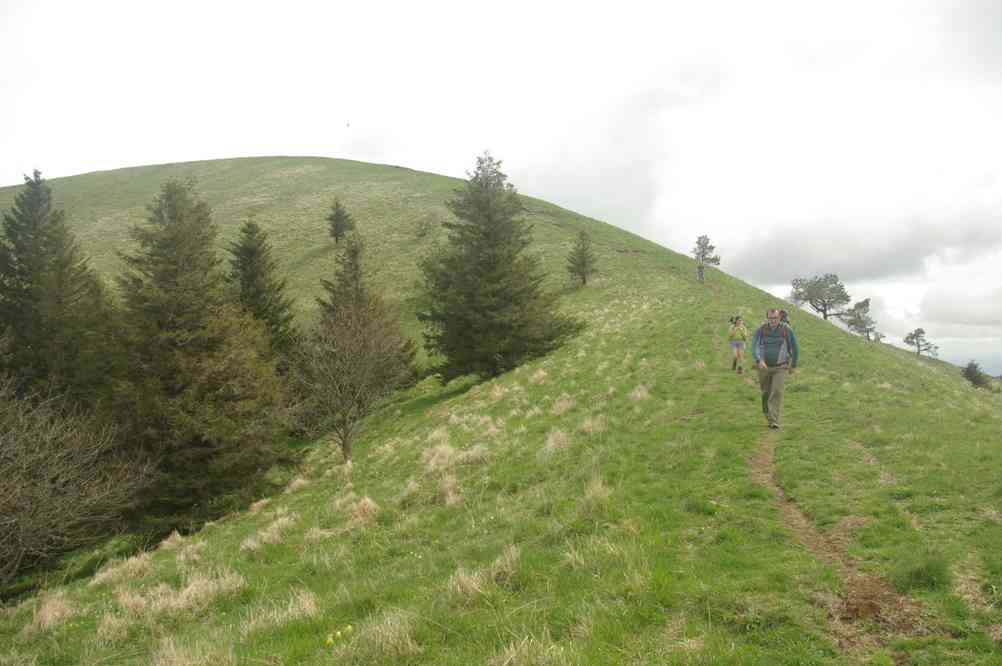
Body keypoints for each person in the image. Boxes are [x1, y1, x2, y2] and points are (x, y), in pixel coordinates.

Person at [752, 308, 799, 429]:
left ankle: (774, 420)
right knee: (766, 392)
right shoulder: (761, 329)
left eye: (775, 318)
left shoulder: (786, 329)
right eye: (771, 318)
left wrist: (793, 365)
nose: (773, 321)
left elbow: (795, 347)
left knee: (777, 391)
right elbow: (754, 346)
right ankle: (767, 413)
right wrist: (759, 360)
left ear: (780, 318)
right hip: (764, 367)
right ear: (767, 318)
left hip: (781, 367)